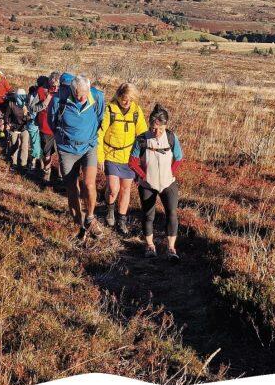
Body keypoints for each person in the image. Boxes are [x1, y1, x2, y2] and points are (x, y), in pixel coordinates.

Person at [48, 74, 105, 239]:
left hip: (89, 147)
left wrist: (89, 137)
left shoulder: (97, 97)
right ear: (71, 90)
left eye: (84, 94)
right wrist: (63, 139)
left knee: (89, 184)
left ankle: (90, 218)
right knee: (72, 187)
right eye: (78, 94)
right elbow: (53, 122)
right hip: (67, 150)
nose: (81, 98)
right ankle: (78, 223)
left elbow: (100, 119)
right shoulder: (59, 101)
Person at [128, 104, 184, 260]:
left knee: (172, 213)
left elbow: (179, 158)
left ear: (165, 126)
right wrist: (143, 176)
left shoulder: (172, 137)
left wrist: (170, 173)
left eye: (160, 129)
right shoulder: (141, 140)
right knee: (148, 215)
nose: (157, 132)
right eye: (153, 129)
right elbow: (132, 162)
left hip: (168, 183)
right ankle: (150, 246)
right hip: (147, 184)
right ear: (149, 124)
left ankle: (171, 248)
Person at [98, 83, 147, 235]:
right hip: (111, 155)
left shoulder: (136, 112)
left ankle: (121, 220)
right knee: (113, 188)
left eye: (130, 99)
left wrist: (142, 158)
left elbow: (142, 135)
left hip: (129, 158)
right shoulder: (110, 110)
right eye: (124, 99)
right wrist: (100, 157)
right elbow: (100, 134)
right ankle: (110, 210)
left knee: (126, 190)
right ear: (118, 96)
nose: (127, 102)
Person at [36, 71, 60, 182]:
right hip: (45, 128)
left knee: (61, 154)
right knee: (47, 154)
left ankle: (61, 177)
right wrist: (48, 98)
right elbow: (34, 108)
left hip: (60, 128)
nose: (55, 88)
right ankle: (47, 171)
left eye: (57, 85)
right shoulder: (41, 91)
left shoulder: (62, 93)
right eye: (53, 85)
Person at [3, 89, 31, 169]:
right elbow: (6, 116)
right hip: (13, 128)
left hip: (24, 128)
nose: (22, 98)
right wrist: (6, 124)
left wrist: (27, 116)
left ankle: (23, 164)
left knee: (24, 146)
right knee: (14, 146)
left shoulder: (27, 105)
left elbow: (30, 117)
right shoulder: (11, 104)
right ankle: (13, 163)